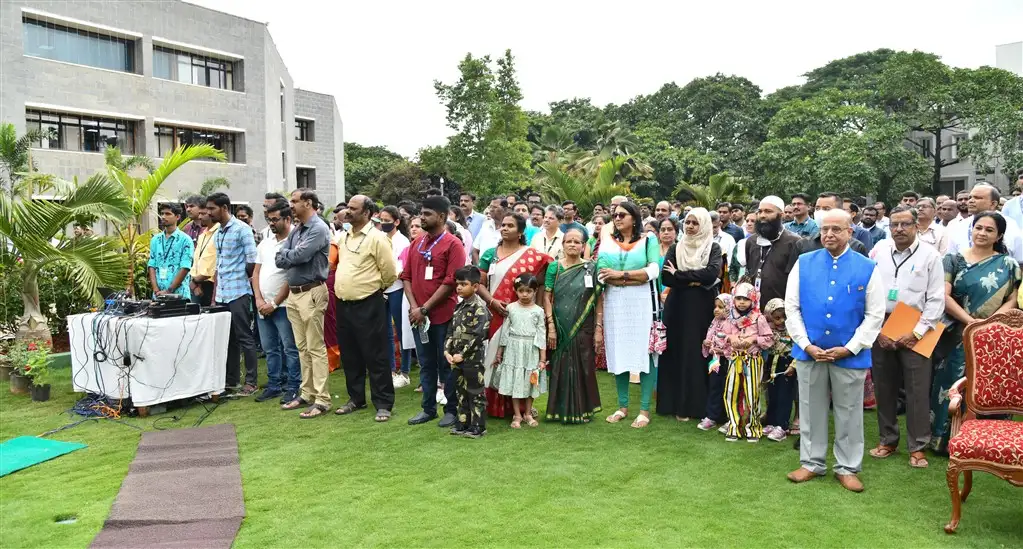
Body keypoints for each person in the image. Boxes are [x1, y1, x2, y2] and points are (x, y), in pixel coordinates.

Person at [784, 209, 885, 493]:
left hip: (850, 356)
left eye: (836, 230)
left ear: (849, 232)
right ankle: (812, 463)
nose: (828, 234)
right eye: (825, 230)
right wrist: (805, 344)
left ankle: (848, 467)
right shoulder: (804, 262)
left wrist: (850, 348)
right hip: (809, 352)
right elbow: (791, 307)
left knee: (850, 411)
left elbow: (875, 314)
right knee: (810, 409)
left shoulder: (867, 267)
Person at [932, 212, 1021, 452]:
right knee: (951, 381)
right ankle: (945, 439)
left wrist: (989, 325)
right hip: (957, 332)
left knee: (989, 383)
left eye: (989, 230)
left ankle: (990, 440)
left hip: (993, 335)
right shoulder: (952, 259)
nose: (982, 233)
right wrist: (971, 323)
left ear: (999, 235)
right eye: (978, 228)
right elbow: (944, 295)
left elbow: (1012, 299)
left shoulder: (1008, 264)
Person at [866, 205, 945, 468]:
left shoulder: (930, 256)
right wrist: (877, 331)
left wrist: (916, 333)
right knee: (884, 387)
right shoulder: (878, 252)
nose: (899, 229)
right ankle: (888, 440)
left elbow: (936, 299)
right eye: (894, 225)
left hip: (917, 324)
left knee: (917, 389)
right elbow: (866, 292)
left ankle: (918, 446)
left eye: (905, 225)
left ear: (916, 226)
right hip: (883, 324)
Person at [476, 213, 552, 419]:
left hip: (519, 317)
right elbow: (479, 283)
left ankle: (519, 409)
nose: (505, 228)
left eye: (510, 226)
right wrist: (491, 301)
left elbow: (549, 274)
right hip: (495, 313)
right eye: (503, 225)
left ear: (520, 232)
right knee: (492, 359)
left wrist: (537, 306)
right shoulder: (490, 254)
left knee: (517, 361)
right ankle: (493, 406)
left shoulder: (533, 256)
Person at [332, 195, 398, 422]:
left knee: (375, 354)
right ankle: (356, 398)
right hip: (343, 303)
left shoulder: (378, 238)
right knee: (350, 355)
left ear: (367, 213)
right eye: (347, 207)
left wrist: (373, 289)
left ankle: (383, 403)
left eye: (353, 208)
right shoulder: (343, 236)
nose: (347, 212)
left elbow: (389, 272)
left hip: (369, 303)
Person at [598, 202, 662, 428]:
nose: (617, 218)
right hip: (615, 303)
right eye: (614, 215)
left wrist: (620, 275)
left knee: (644, 353)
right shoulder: (608, 241)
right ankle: (622, 406)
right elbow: (601, 274)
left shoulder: (648, 240)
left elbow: (653, 271)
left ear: (634, 218)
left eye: (622, 215)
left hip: (642, 303)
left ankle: (644, 409)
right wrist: (632, 277)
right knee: (619, 352)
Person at [404, 195, 466, 427]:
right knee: (426, 363)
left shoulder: (453, 244)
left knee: (447, 363)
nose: (422, 217)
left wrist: (425, 308)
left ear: (441, 216)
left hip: (443, 316)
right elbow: (406, 277)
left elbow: (452, 281)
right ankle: (428, 408)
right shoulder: (416, 243)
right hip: (419, 318)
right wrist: (414, 307)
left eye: (427, 214)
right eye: (421, 213)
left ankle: (451, 409)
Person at [276, 189, 331, 418]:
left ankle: (322, 399)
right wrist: (291, 254)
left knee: (315, 348)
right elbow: (280, 258)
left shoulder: (318, 228)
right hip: (295, 294)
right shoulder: (297, 229)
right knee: (302, 347)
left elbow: (299, 257)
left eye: (295, 201)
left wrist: (290, 254)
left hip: (311, 292)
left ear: (308, 203)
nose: (291, 205)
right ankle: (307, 393)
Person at [544, 228, 603, 424]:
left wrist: (598, 328)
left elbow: (598, 298)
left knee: (584, 365)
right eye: (569, 241)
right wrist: (551, 325)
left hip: (583, 324)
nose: (572, 245)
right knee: (559, 366)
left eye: (577, 242)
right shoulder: (555, 267)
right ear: (563, 244)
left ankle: (584, 409)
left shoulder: (591, 268)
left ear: (583, 246)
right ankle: (558, 410)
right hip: (560, 325)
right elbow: (547, 296)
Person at [206, 193, 259, 396]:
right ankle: (231, 381)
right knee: (228, 339)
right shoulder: (218, 232)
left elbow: (252, 260)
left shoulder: (242, 229)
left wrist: (242, 279)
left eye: (212, 209)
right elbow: (220, 264)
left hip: (238, 292)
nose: (209, 212)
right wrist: (215, 294)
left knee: (245, 337)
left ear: (225, 207)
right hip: (222, 294)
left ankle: (251, 382)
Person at [252, 200, 301, 404]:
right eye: (268, 219)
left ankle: (293, 386)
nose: (271, 223)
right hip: (263, 306)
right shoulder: (266, 242)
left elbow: (292, 276)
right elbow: (256, 273)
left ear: (287, 219)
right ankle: (274, 385)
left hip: (283, 305)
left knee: (290, 347)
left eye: (275, 219)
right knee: (270, 348)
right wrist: (259, 299)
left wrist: (274, 302)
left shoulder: (294, 242)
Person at [720, 282, 774, 442]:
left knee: (752, 394)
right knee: (731, 393)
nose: (742, 302)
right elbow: (721, 336)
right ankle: (734, 427)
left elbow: (769, 339)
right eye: (738, 298)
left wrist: (753, 340)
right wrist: (731, 338)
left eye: (746, 299)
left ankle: (753, 428)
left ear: (753, 300)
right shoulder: (729, 318)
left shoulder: (759, 318)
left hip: (752, 360)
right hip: (734, 359)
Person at [492, 273, 547, 429]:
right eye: (521, 291)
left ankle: (528, 413)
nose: (524, 294)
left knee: (531, 381)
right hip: (513, 349)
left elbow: (541, 335)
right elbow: (505, 332)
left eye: (528, 291)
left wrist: (542, 359)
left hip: (531, 349)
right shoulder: (511, 308)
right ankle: (517, 415)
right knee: (515, 380)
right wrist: (500, 353)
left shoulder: (538, 311)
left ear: (535, 291)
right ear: (515, 291)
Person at [443, 266, 491, 438]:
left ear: (476, 286)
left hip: (472, 358)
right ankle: (463, 422)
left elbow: (479, 335)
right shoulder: (459, 307)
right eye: (457, 284)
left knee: (475, 391)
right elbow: (451, 330)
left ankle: (478, 426)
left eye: (464, 284)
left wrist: (462, 354)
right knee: (460, 391)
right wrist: (447, 351)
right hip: (455, 357)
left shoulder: (480, 308)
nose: (459, 287)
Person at [745, 197, 801, 308]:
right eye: (760, 211)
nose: (762, 215)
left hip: (781, 311)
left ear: (781, 215)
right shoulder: (751, 241)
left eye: (768, 211)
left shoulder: (795, 242)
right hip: (753, 309)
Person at [379, 206, 412, 387]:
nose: (383, 224)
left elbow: (402, 268)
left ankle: (405, 371)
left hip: (397, 288)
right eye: (381, 220)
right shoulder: (380, 239)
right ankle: (390, 369)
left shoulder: (403, 242)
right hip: (381, 289)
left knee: (401, 331)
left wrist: (388, 278)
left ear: (397, 222)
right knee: (384, 332)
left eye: (387, 220)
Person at [948, 184, 1023, 263]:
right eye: (970, 197)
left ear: (993, 204)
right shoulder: (958, 227)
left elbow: (1020, 261)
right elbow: (951, 261)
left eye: (977, 198)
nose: (970, 201)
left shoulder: (1010, 226)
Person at [762, 298, 795, 442]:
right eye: (777, 318)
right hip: (771, 363)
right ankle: (772, 422)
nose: (781, 321)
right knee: (772, 395)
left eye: (784, 317)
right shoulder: (768, 330)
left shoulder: (793, 330)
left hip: (786, 364)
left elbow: (798, 349)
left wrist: (793, 366)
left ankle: (782, 425)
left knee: (784, 395)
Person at [699, 294, 733, 431]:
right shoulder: (715, 321)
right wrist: (706, 343)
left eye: (721, 307)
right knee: (714, 386)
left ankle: (729, 418)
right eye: (716, 306)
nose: (717, 310)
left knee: (729, 388)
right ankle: (712, 416)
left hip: (728, 359)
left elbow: (733, 341)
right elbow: (710, 336)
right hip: (715, 359)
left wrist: (722, 347)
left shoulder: (732, 323)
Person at [148, 203, 194, 299]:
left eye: (168, 214)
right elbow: (151, 265)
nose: (163, 217)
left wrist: (168, 291)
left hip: (179, 295)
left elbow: (185, 267)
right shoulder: (155, 240)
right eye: (162, 213)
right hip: (158, 295)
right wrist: (156, 290)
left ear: (177, 217)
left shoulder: (185, 240)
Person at [189, 208, 218, 306]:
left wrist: (196, 281)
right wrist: (194, 283)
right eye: (199, 213)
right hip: (196, 284)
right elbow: (196, 262)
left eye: (203, 214)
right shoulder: (202, 235)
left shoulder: (219, 233)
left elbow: (213, 265)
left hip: (211, 285)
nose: (199, 216)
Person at [472, 196, 506, 264]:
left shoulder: (508, 228)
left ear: (504, 209)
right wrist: (480, 268)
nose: (491, 210)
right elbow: (475, 251)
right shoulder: (485, 225)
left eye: (495, 207)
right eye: (490, 207)